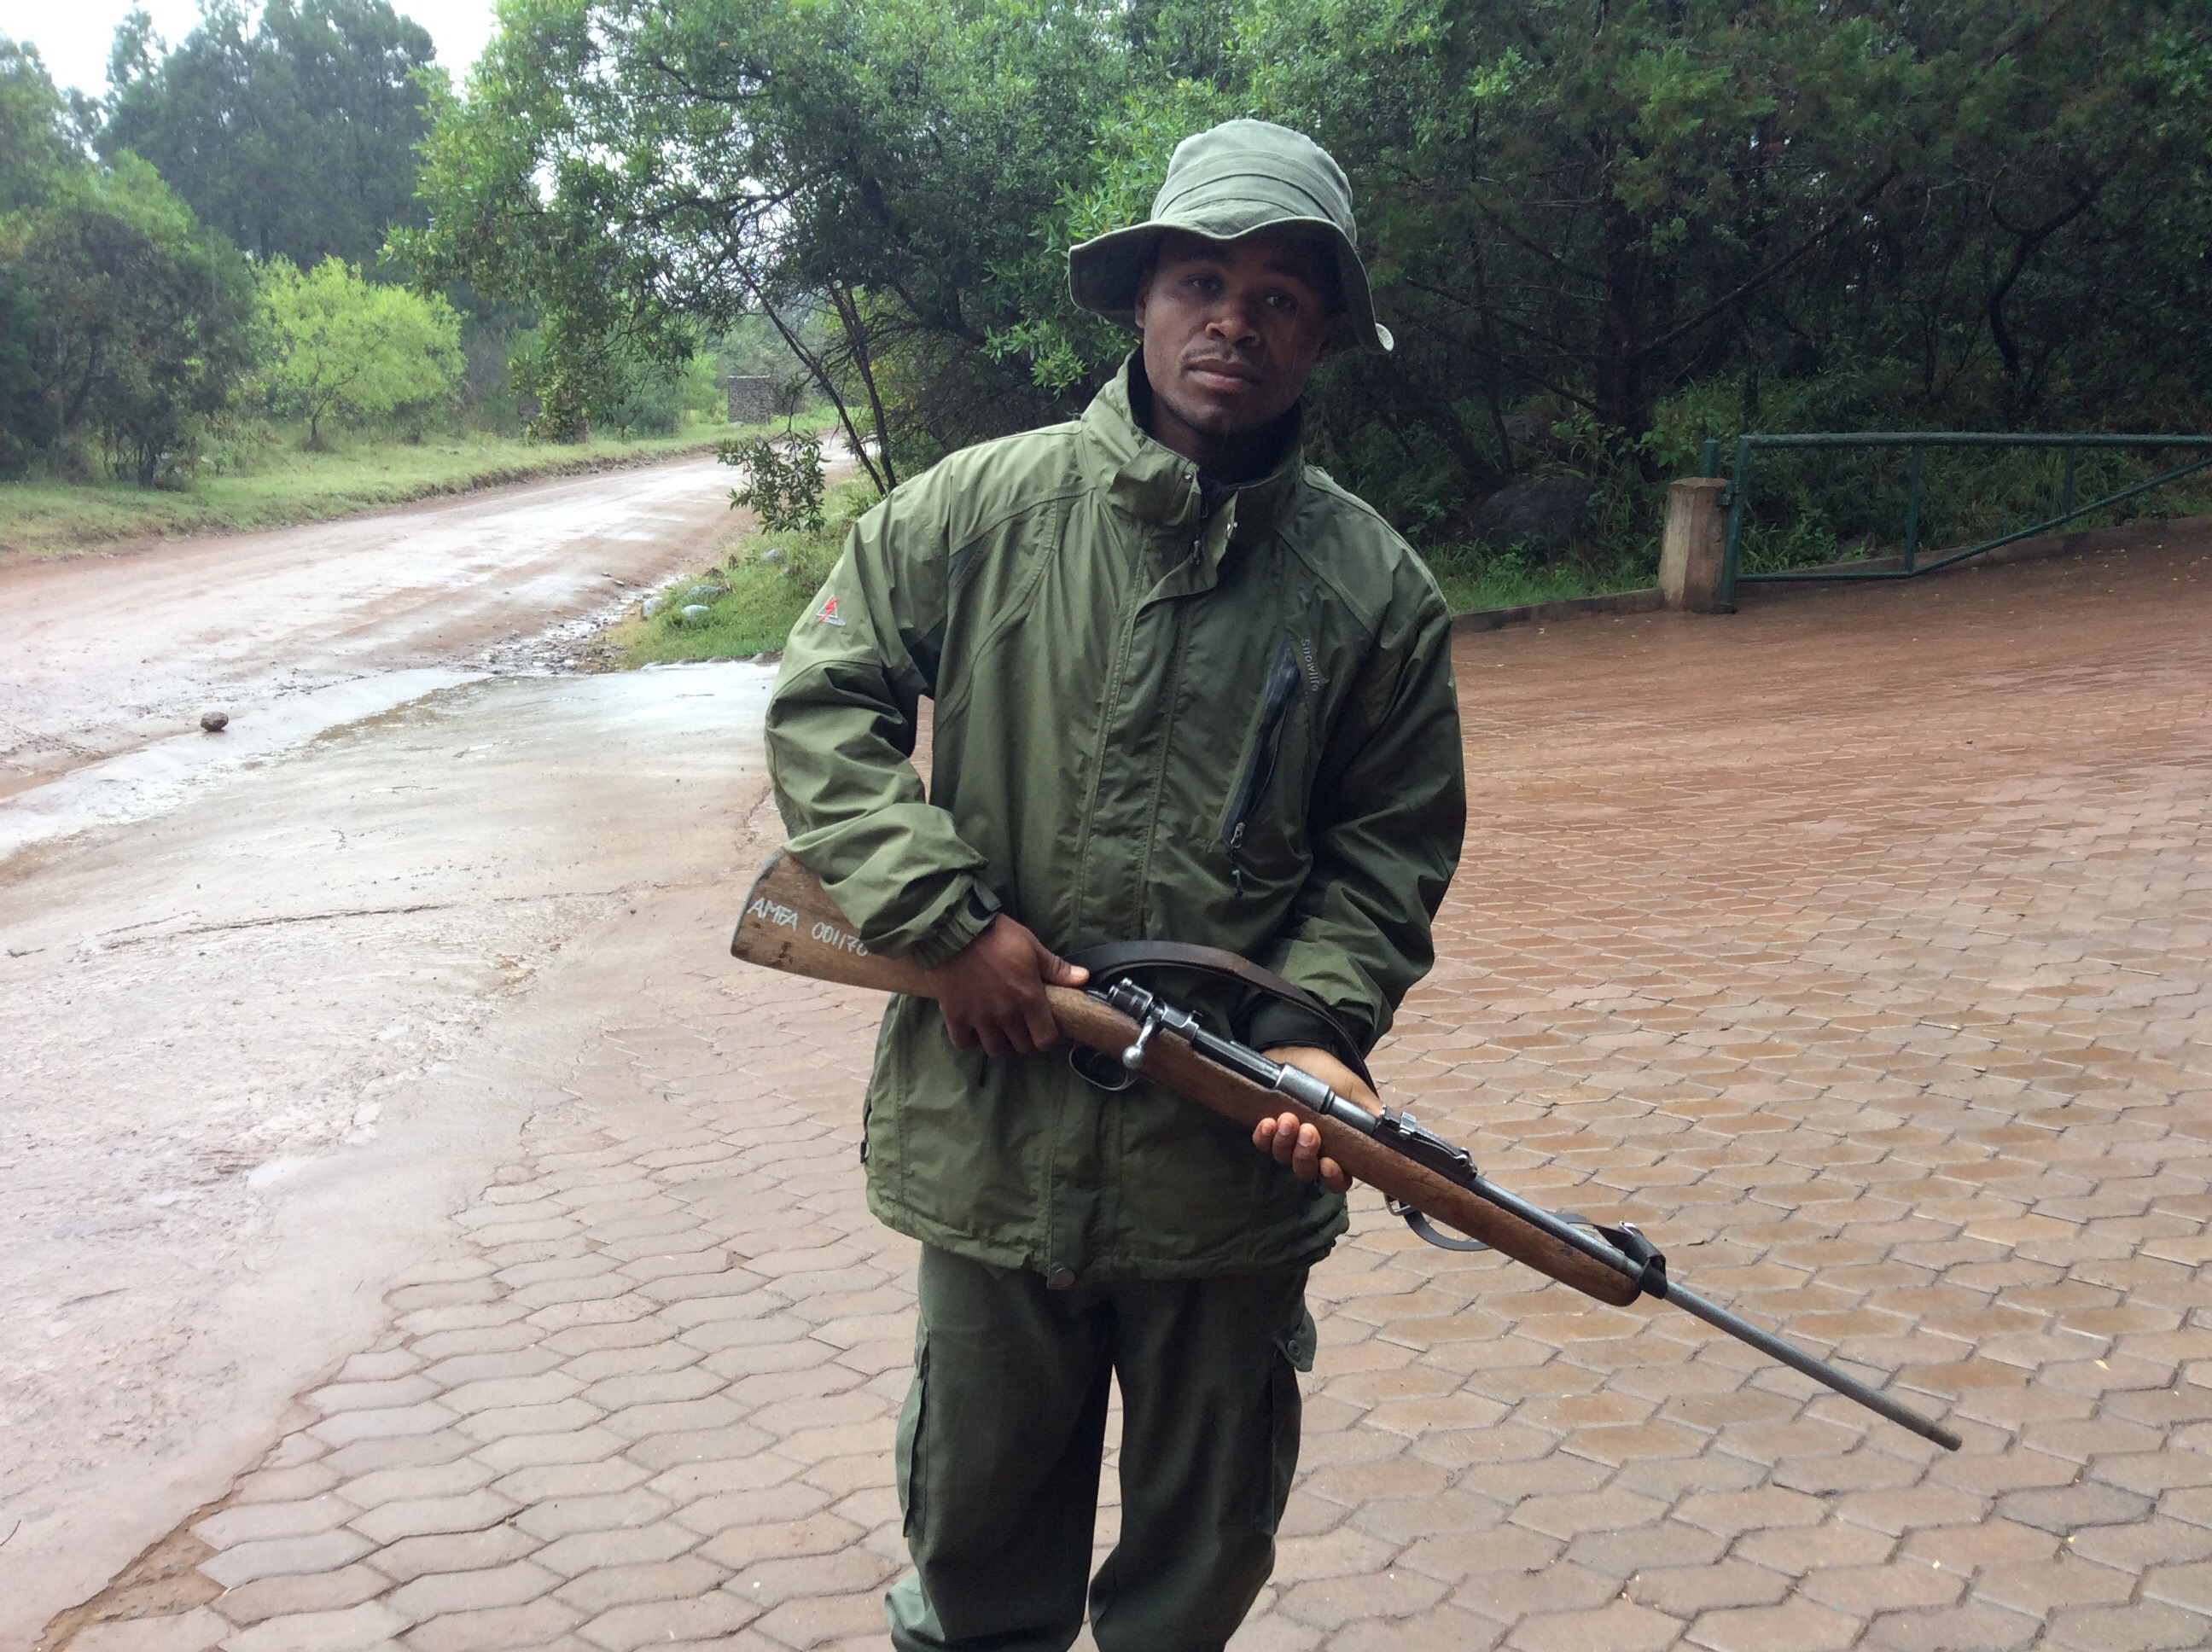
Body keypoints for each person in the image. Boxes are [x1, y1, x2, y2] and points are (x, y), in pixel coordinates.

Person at [763, 118, 1465, 1652]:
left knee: (1197, 1566)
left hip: (1227, 1165)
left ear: (1322, 336)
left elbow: (1390, 845)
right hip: (993, 1127)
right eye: (1203, 282)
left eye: (1280, 297)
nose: (1235, 322)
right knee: (976, 1550)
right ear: (1141, 300)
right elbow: (825, 704)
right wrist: (942, 926)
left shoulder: (1376, 594)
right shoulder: (975, 511)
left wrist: (1315, 1029)